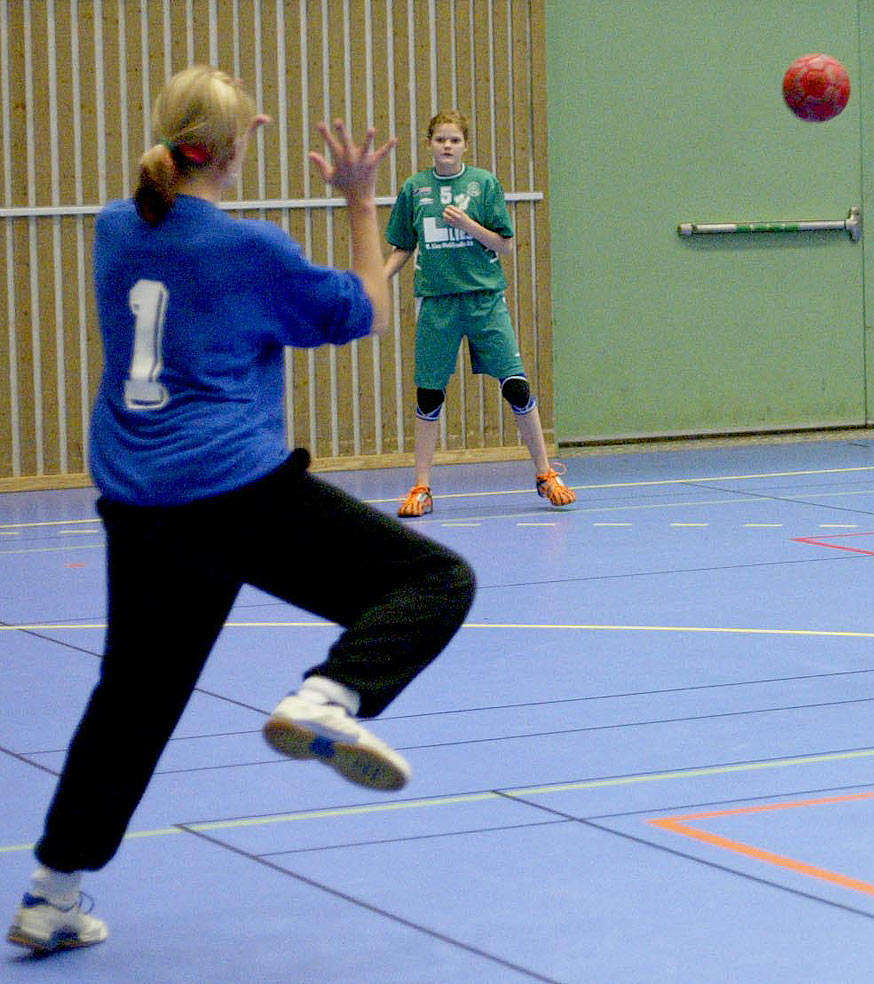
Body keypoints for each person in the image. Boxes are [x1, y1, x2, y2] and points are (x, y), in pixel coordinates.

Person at [7, 66, 476, 955]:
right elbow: (371, 312)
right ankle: (329, 696)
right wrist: (362, 198)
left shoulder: (117, 228)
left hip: (138, 502)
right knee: (434, 580)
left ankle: (51, 892)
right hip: (231, 490)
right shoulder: (246, 250)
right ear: (233, 146)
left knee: (132, 704)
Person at [385, 109, 575, 516]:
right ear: (430, 144)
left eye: (455, 140)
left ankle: (545, 473)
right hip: (437, 301)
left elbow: (505, 245)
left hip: (484, 297)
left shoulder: (483, 184)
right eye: (440, 139)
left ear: (465, 145)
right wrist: (378, 279)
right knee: (429, 393)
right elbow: (403, 245)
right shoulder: (414, 188)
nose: (447, 146)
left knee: (516, 385)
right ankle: (421, 487)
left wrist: (470, 225)